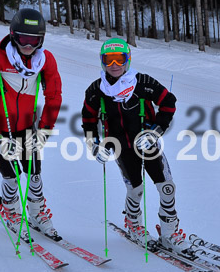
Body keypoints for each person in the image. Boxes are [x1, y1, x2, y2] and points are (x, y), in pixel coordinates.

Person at [81, 37, 192, 256]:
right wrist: (94, 144)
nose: (114, 66)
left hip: (147, 143)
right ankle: (133, 223)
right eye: (109, 60)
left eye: (119, 59)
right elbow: (88, 119)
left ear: (128, 60)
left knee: (167, 188)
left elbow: (168, 102)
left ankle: (169, 232)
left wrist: (156, 131)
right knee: (136, 189)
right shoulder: (96, 90)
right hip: (121, 147)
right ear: (102, 62)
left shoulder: (142, 82)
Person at [0, 8, 62, 239]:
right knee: (11, 176)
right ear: (13, 35)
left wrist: (45, 128)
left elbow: (54, 95)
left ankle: (36, 212)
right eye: (23, 38)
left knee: (34, 175)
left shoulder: (45, 60)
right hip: (0, 130)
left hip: (26, 126)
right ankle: (11, 209)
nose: (28, 45)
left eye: (34, 40)